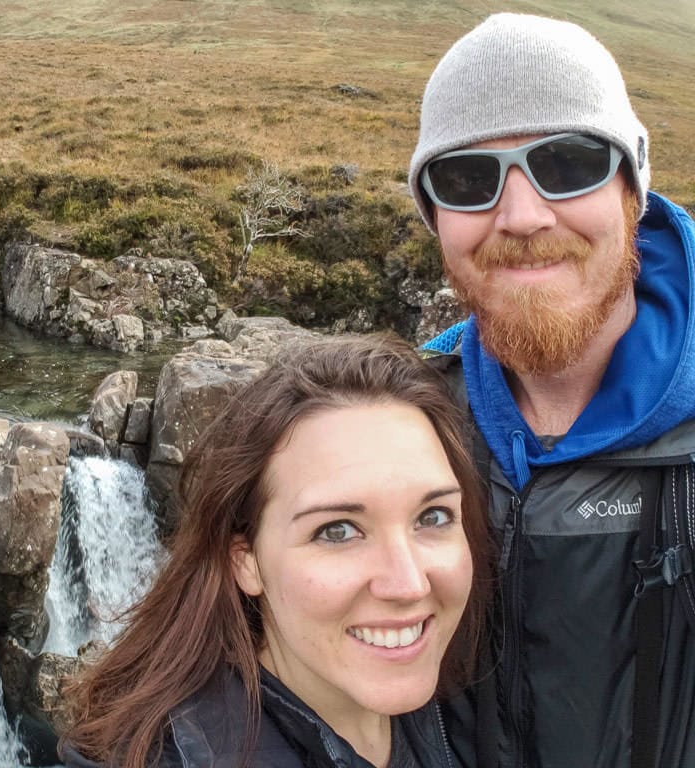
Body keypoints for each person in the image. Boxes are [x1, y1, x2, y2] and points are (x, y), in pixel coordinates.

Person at [409, 12, 695, 768]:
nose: (524, 216)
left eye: (567, 164)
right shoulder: (404, 425)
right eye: (468, 179)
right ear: (434, 216)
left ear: (633, 187)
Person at [60, 334, 492, 768]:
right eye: (338, 531)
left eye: (433, 517)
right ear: (245, 560)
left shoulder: (486, 695)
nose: (409, 584)